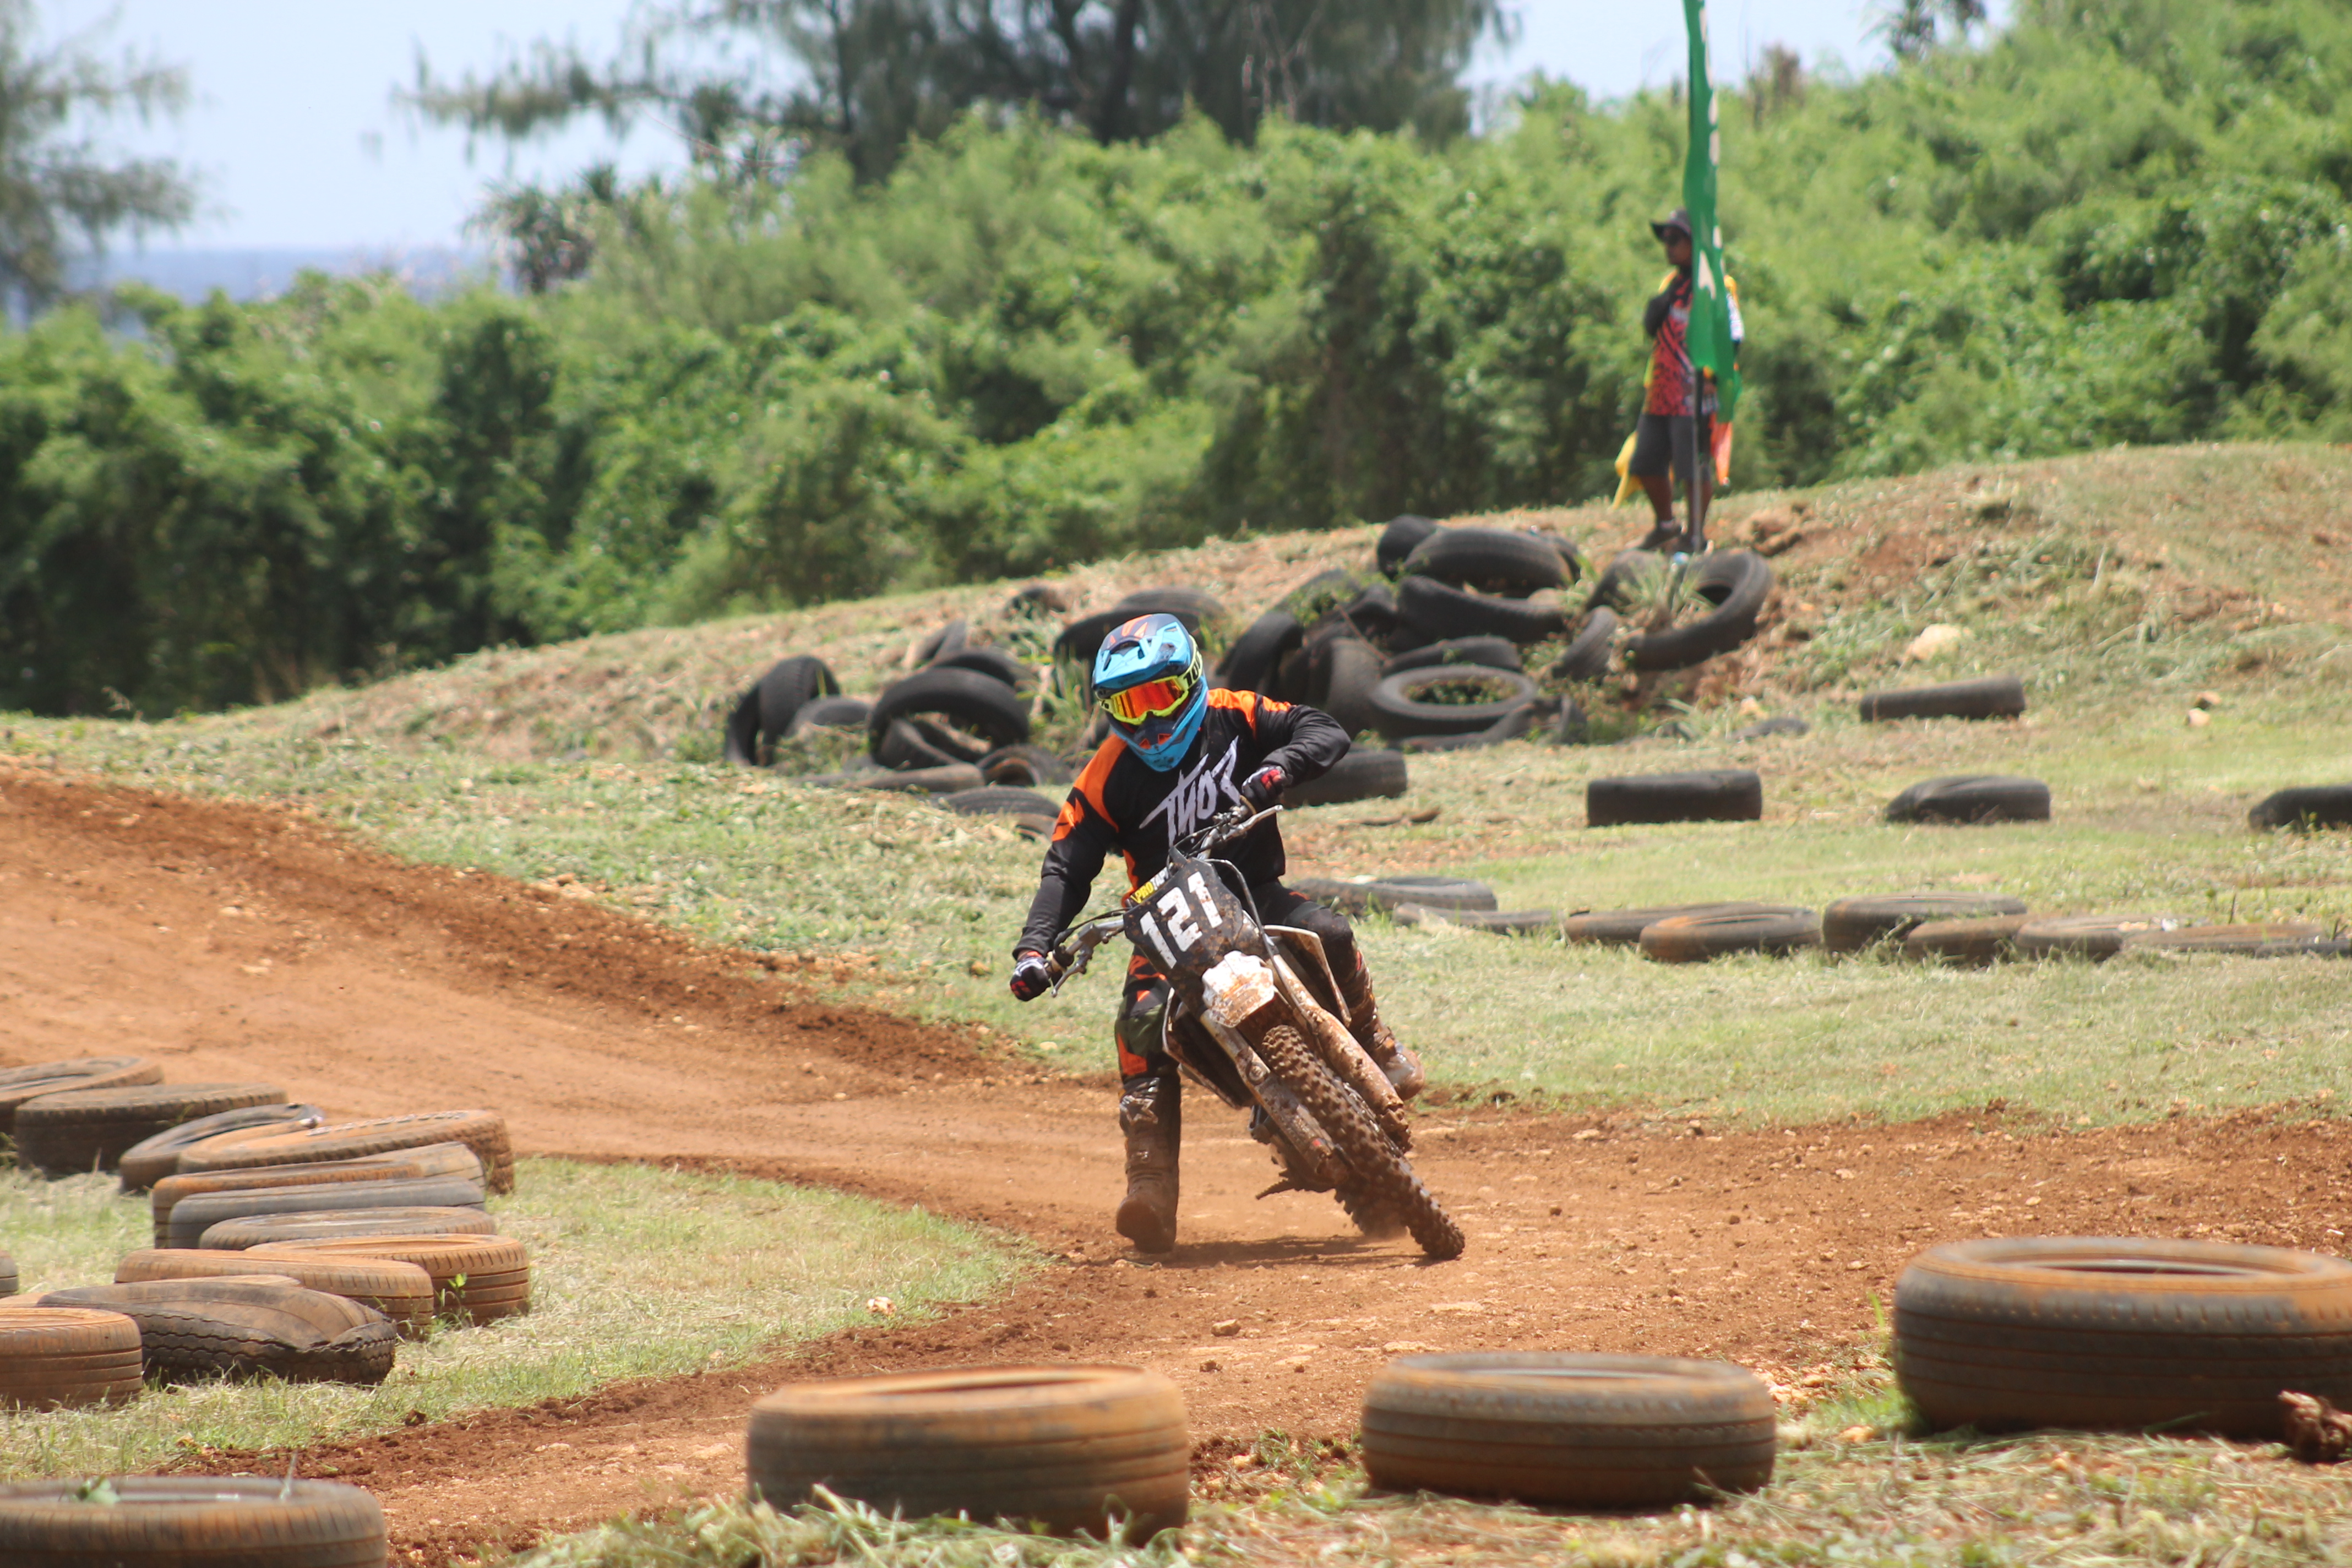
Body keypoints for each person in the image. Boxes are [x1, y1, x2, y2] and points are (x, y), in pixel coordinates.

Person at [1006, 613, 1426, 1254]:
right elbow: (1066, 865)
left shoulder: (1238, 713)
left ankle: (1374, 1039)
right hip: (1165, 925)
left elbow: (1324, 728)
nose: (1148, 721)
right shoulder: (1102, 778)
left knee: (1333, 932)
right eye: (1128, 704)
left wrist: (1280, 768)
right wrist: (1036, 948)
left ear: (1192, 681)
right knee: (1141, 1023)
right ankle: (1149, 1180)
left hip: (1256, 890)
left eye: (1160, 696)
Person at [1626, 206, 1742, 554]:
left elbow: (1733, 336)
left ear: (1695, 244)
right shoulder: (1670, 287)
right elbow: (1651, 329)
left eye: (1676, 239)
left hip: (1694, 393)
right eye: (1666, 239)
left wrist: (1716, 379)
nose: (1668, 246)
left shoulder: (1716, 287)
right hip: (1661, 391)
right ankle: (1665, 526)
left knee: (1691, 467)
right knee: (1645, 462)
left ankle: (1696, 536)